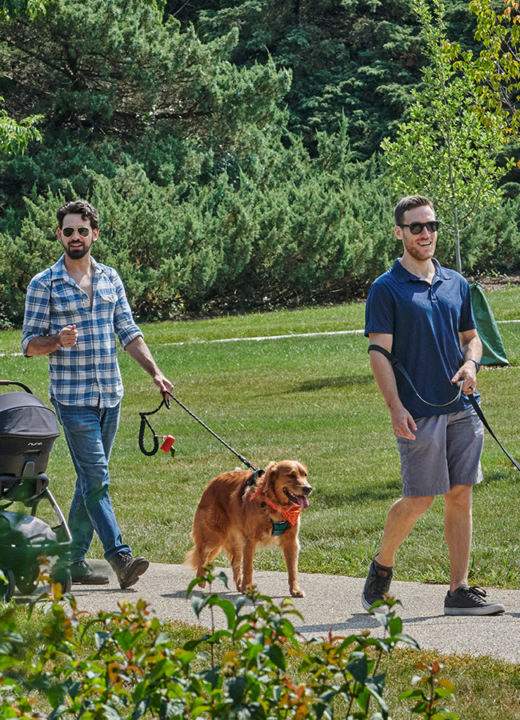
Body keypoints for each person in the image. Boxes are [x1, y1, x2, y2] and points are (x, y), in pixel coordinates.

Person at [362, 194, 505, 616]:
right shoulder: (386, 289)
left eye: (432, 226)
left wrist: (472, 364)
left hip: (462, 405)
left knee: (460, 496)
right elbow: (378, 354)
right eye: (416, 227)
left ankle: (458, 591)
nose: (426, 234)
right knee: (421, 497)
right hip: (418, 410)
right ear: (399, 233)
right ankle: (382, 565)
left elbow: (471, 338)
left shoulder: (455, 282)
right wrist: (394, 407)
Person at [22, 199, 174, 589]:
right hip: (72, 400)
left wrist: (155, 372)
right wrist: (57, 339)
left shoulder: (110, 278)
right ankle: (120, 556)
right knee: (97, 477)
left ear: (94, 234)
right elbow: (28, 345)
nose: (75, 237)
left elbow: (129, 331)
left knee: (90, 481)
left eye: (82, 230)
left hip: (111, 394)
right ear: (59, 235)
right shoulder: (45, 284)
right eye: (68, 231)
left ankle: (71, 559)